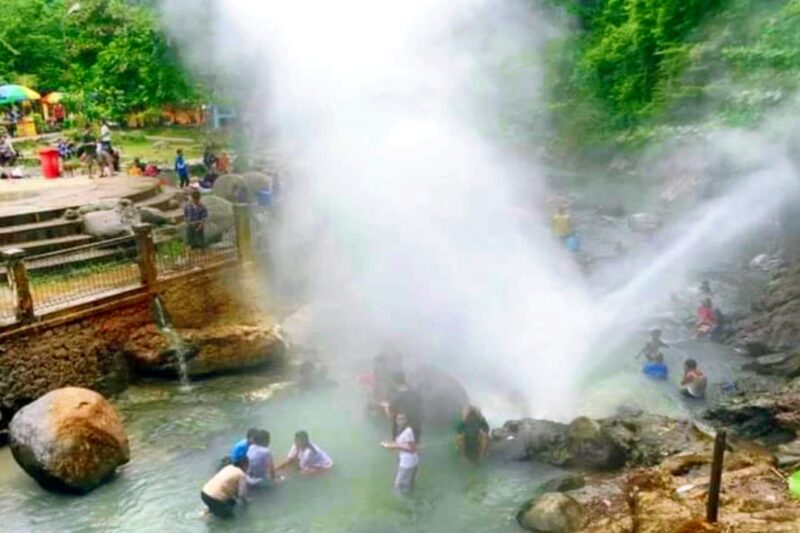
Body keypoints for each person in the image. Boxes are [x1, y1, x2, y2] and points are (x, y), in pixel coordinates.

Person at [381, 412, 419, 493]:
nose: (401, 421)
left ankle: (403, 499)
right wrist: (389, 444)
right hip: (410, 461)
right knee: (409, 485)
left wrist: (394, 446)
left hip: (407, 462)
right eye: (399, 419)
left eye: (403, 419)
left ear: (407, 420)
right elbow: (402, 445)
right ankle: (412, 495)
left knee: (399, 486)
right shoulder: (400, 430)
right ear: (396, 420)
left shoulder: (408, 431)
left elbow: (412, 448)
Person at [384, 371, 422, 441]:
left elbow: (390, 416)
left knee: (400, 447)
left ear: (394, 382)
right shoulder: (416, 395)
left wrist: (386, 406)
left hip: (401, 430)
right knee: (414, 446)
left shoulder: (397, 398)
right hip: (416, 428)